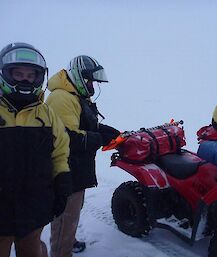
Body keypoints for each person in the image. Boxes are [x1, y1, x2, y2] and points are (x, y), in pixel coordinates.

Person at [0, 42, 71, 257]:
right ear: (5, 74)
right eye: (18, 74)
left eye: (31, 76)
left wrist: (62, 180)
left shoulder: (46, 114)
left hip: (33, 206)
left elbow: (60, 152)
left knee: (32, 250)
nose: (25, 79)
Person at [46, 55, 120, 257]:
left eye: (93, 82)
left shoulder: (76, 95)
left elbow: (84, 124)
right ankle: (61, 251)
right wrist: (99, 138)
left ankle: (68, 241)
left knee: (74, 210)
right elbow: (65, 137)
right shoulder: (61, 97)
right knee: (64, 215)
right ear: (78, 77)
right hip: (65, 168)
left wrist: (106, 130)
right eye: (89, 81)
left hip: (78, 166)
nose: (92, 85)